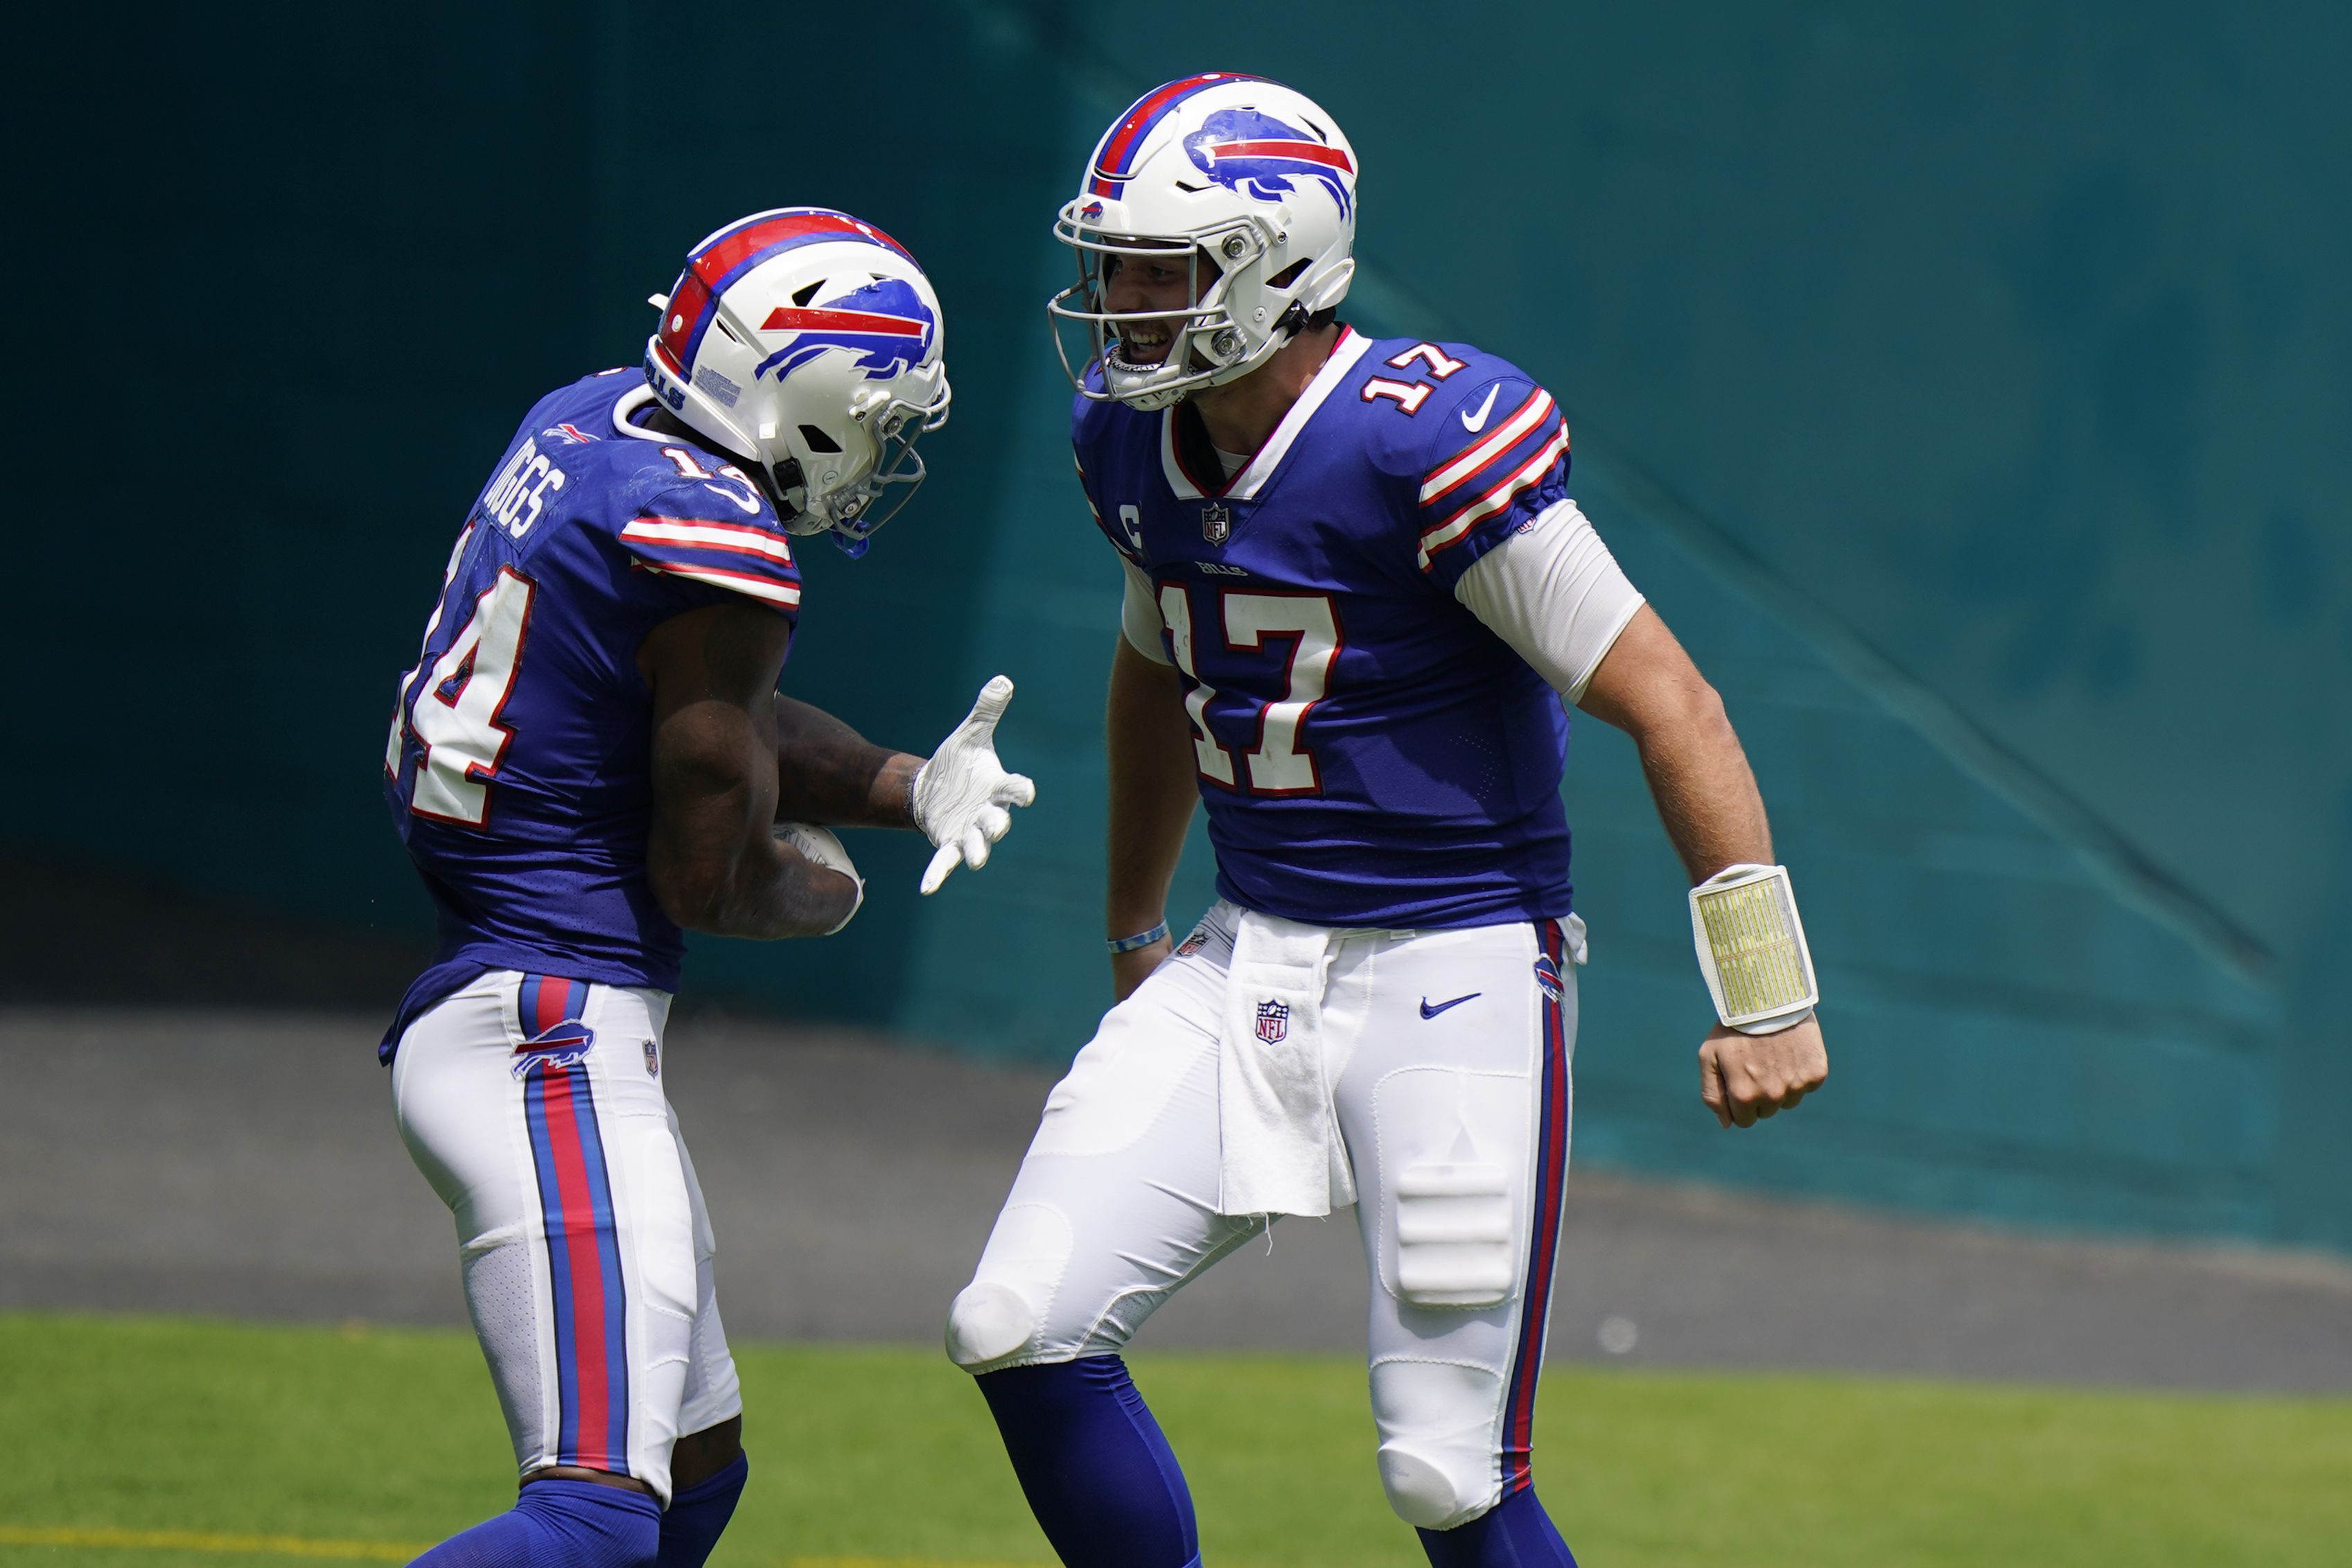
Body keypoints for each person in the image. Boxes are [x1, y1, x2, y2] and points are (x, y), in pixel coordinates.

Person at [945, 76, 1827, 1568]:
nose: (1119, 305)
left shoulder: (1420, 437)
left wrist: (1765, 990)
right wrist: (1133, 927)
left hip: (1456, 967)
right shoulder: (1128, 443)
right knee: (1016, 1321)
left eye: (1159, 268)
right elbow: (1155, 666)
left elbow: (1671, 699)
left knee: (1444, 1471)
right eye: (1111, 266)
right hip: (1244, 959)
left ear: (1274, 264)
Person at [380, 207, 1034, 1568]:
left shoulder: (597, 422)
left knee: (696, 1473)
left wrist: (906, 787)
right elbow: (705, 874)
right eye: (877, 416)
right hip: (550, 1028)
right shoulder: (714, 540)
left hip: (520, 995)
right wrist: (819, 890)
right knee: (595, 1515)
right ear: (798, 395)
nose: (882, 451)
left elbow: (709, 705)